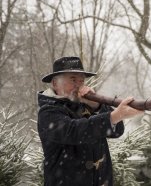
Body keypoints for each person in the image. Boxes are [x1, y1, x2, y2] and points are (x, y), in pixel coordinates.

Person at [37, 56, 143, 186]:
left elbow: (117, 131)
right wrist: (114, 116)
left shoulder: (87, 105)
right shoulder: (48, 112)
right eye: (73, 79)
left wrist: (97, 106)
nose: (79, 85)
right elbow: (74, 131)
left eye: (81, 81)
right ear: (55, 83)